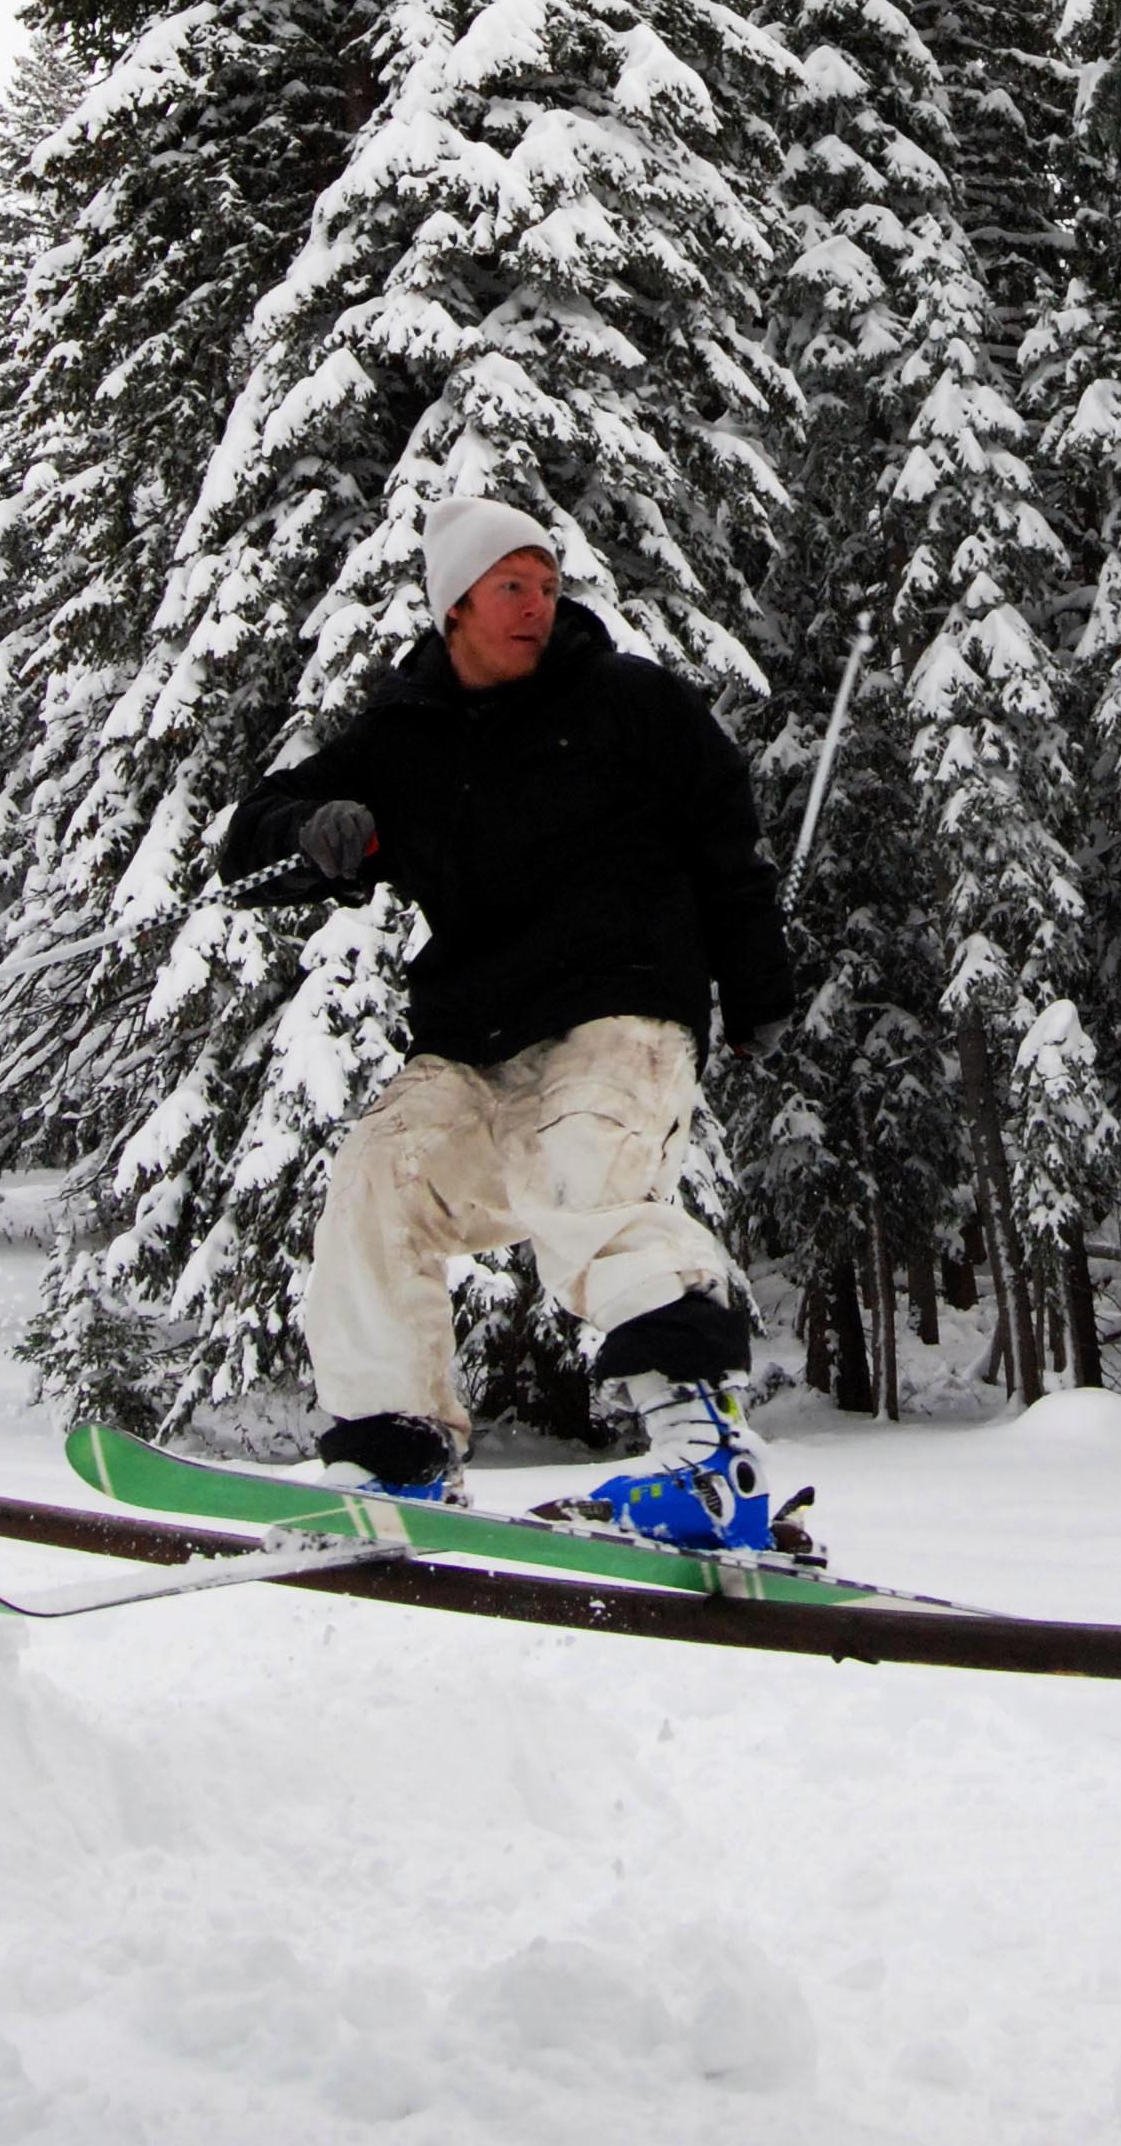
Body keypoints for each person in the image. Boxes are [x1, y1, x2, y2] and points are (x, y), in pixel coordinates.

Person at [219, 494, 795, 1547]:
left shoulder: (628, 699)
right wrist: (316, 830)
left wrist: (756, 989)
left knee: (585, 1183)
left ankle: (710, 1456)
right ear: (454, 608)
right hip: (478, 1045)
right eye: (511, 586)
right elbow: (247, 842)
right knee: (381, 1175)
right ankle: (397, 1454)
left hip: (619, 1009)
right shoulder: (405, 739)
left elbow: (728, 840)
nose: (538, 604)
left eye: (547, 583)